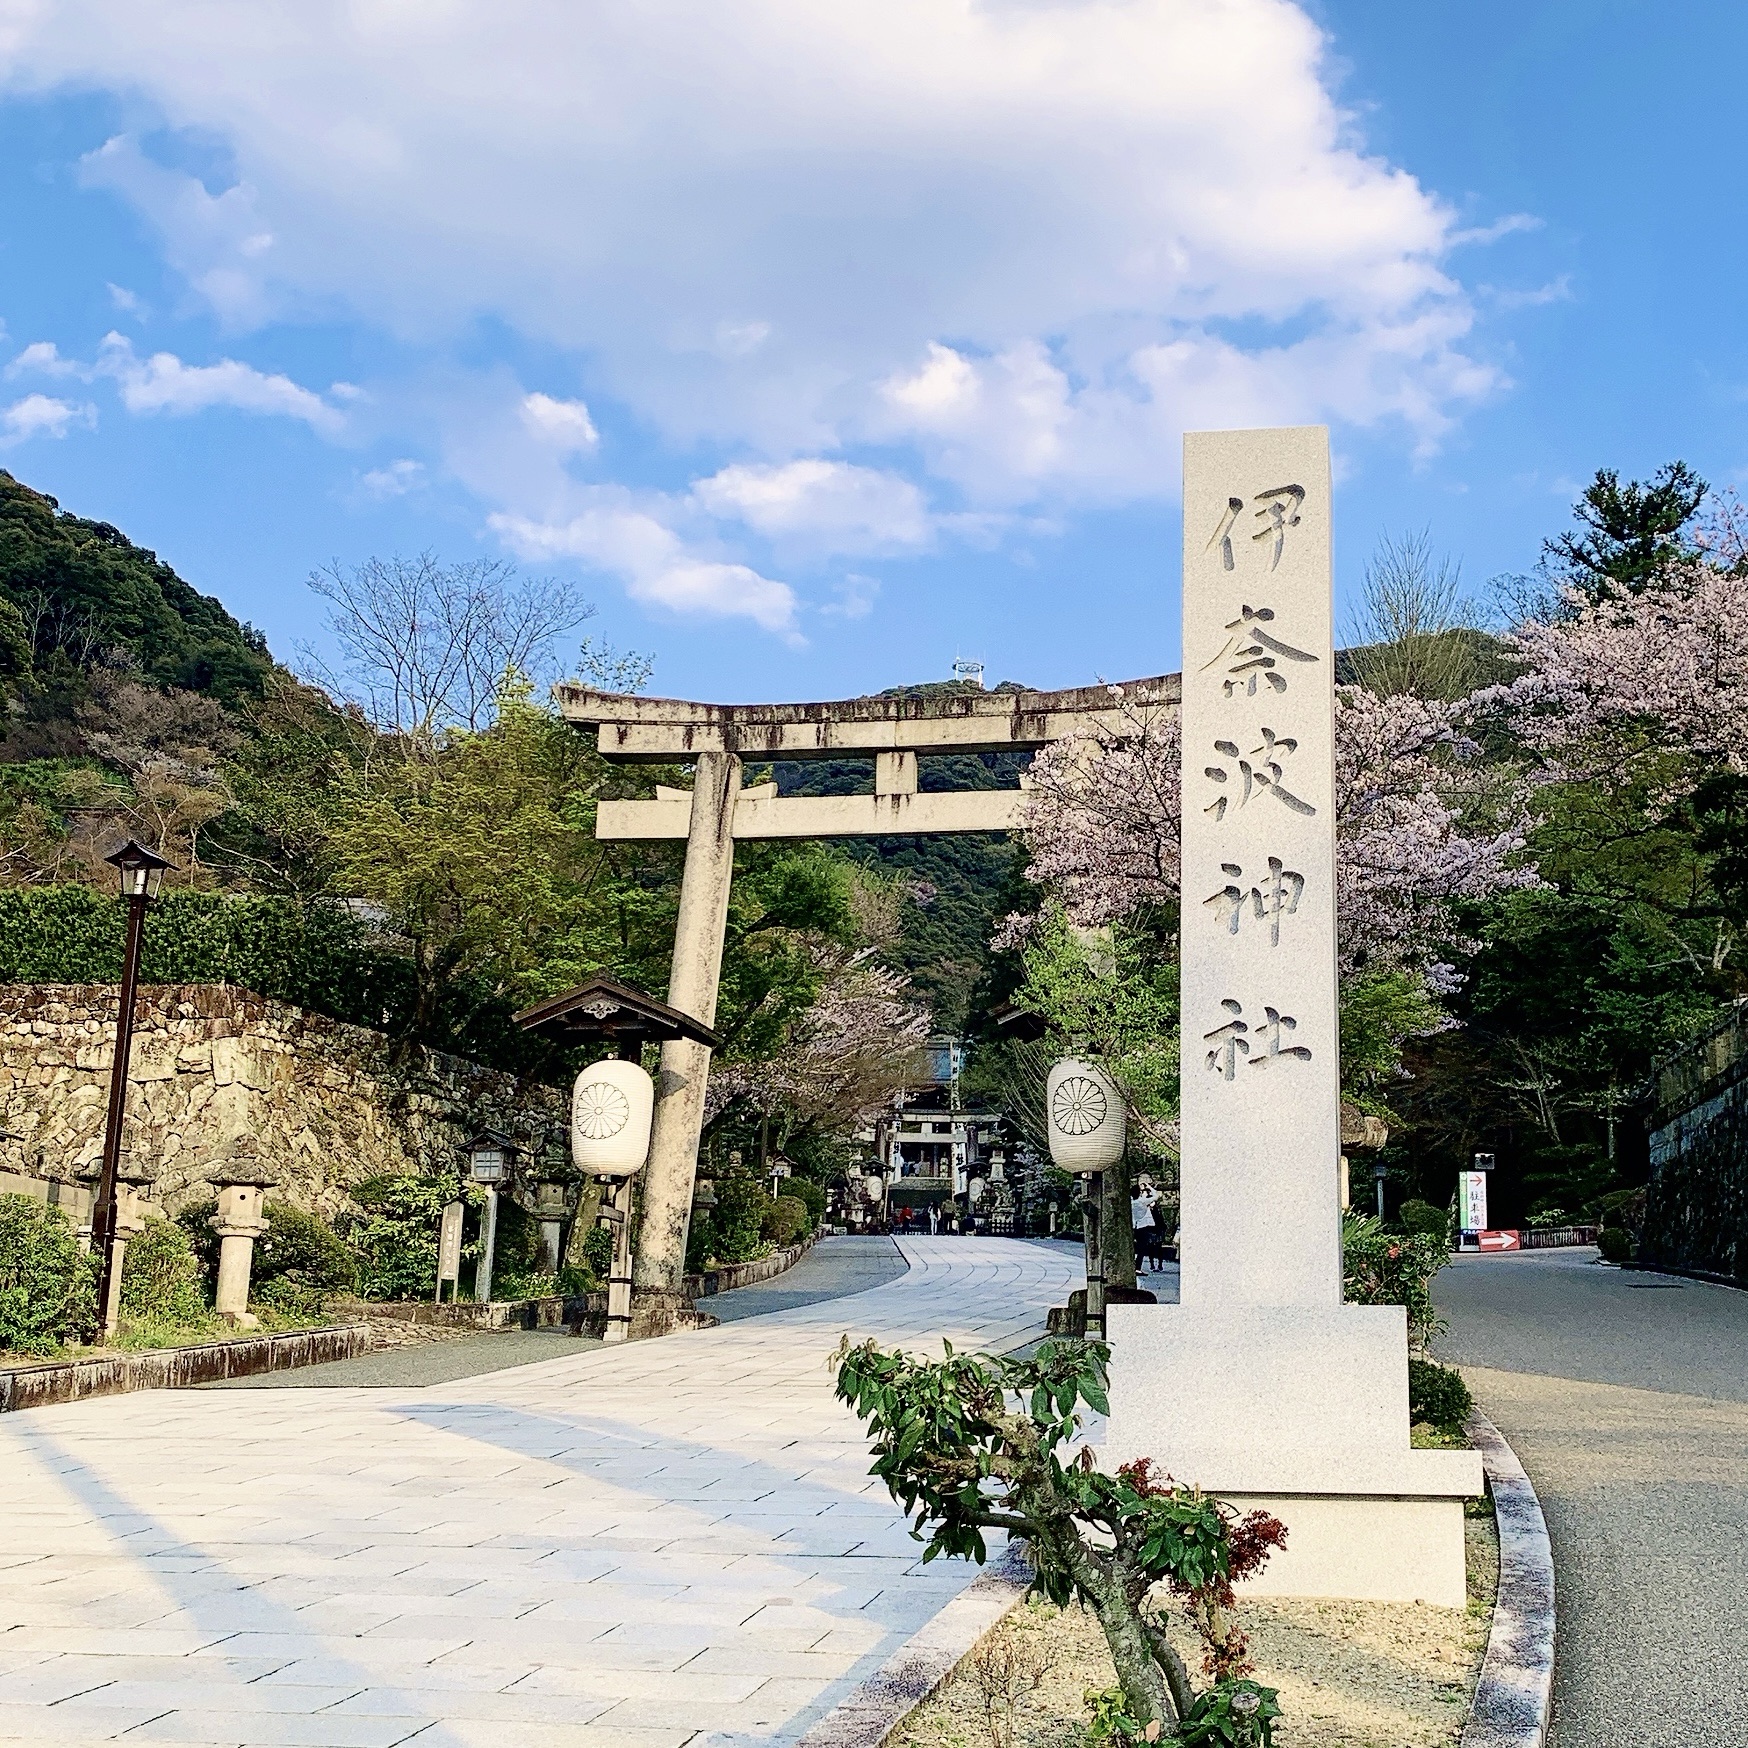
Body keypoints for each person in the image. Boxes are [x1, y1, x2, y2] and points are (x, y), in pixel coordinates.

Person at [1131, 1176, 1163, 1273]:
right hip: (1142, 1226)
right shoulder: (1142, 1201)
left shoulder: (1131, 1202)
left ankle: (1135, 1266)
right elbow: (1156, 1196)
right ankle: (1137, 1268)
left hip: (1134, 1225)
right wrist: (1149, 1187)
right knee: (1142, 1248)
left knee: (1135, 1247)